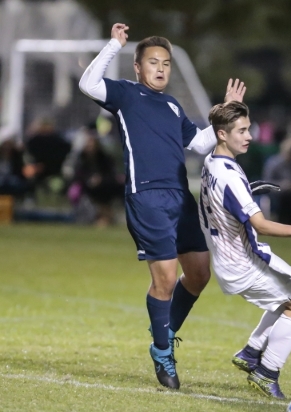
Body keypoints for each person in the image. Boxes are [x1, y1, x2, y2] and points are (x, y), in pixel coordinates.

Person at [79, 23, 246, 390]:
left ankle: (165, 332)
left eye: (166, 63)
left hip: (179, 197)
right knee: (166, 279)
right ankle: (161, 350)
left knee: (200, 273)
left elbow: (201, 144)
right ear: (138, 67)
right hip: (147, 198)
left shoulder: (172, 105)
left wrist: (228, 109)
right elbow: (88, 84)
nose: (160, 68)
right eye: (153, 62)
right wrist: (114, 45)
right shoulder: (125, 94)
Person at [199, 101, 291, 398]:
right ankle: (267, 372)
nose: (250, 135)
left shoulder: (213, 161)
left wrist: (247, 190)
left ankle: (252, 352)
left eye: (249, 128)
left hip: (236, 254)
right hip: (241, 262)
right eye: (242, 130)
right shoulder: (229, 175)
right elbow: (260, 224)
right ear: (222, 134)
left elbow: (226, 199)